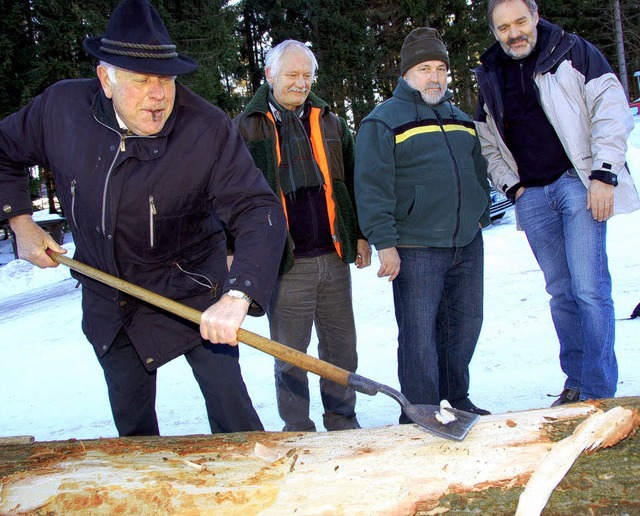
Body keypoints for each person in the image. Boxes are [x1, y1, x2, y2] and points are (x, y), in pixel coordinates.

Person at [0, 0, 286, 436]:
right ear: (106, 79)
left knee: (235, 418)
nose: (158, 94)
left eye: (166, 80)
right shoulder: (60, 109)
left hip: (192, 292)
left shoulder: (206, 129)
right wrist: (19, 220)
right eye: (141, 80)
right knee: (133, 434)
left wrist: (238, 295)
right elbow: (4, 151)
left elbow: (257, 209)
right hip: (109, 295)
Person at [474, 0, 640, 406]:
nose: (514, 33)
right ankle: (577, 382)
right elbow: (487, 142)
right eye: (503, 27)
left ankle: (599, 393)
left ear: (535, 16)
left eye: (520, 22)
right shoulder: (490, 73)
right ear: (494, 31)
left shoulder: (572, 51)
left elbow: (612, 108)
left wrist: (602, 173)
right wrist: (513, 188)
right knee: (561, 293)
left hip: (578, 185)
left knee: (589, 289)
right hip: (532, 196)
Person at [234, 40, 371, 431]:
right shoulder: (246, 126)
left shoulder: (329, 120)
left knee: (341, 348)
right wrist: (233, 250)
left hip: (332, 252)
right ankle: (297, 427)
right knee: (290, 354)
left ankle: (342, 417)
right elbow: (230, 196)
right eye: (292, 75)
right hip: (285, 260)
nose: (300, 83)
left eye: (306, 75)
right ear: (269, 76)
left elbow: (350, 181)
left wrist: (358, 234)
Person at [355, 28, 492, 419]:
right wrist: (385, 242)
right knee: (419, 337)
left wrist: (479, 214)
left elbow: (477, 171)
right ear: (405, 74)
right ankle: (420, 413)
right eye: (424, 68)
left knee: (464, 327)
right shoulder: (382, 122)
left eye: (441, 68)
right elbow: (371, 187)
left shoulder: (461, 119)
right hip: (415, 248)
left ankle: (456, 401)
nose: (435, 77)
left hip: (466, 243)